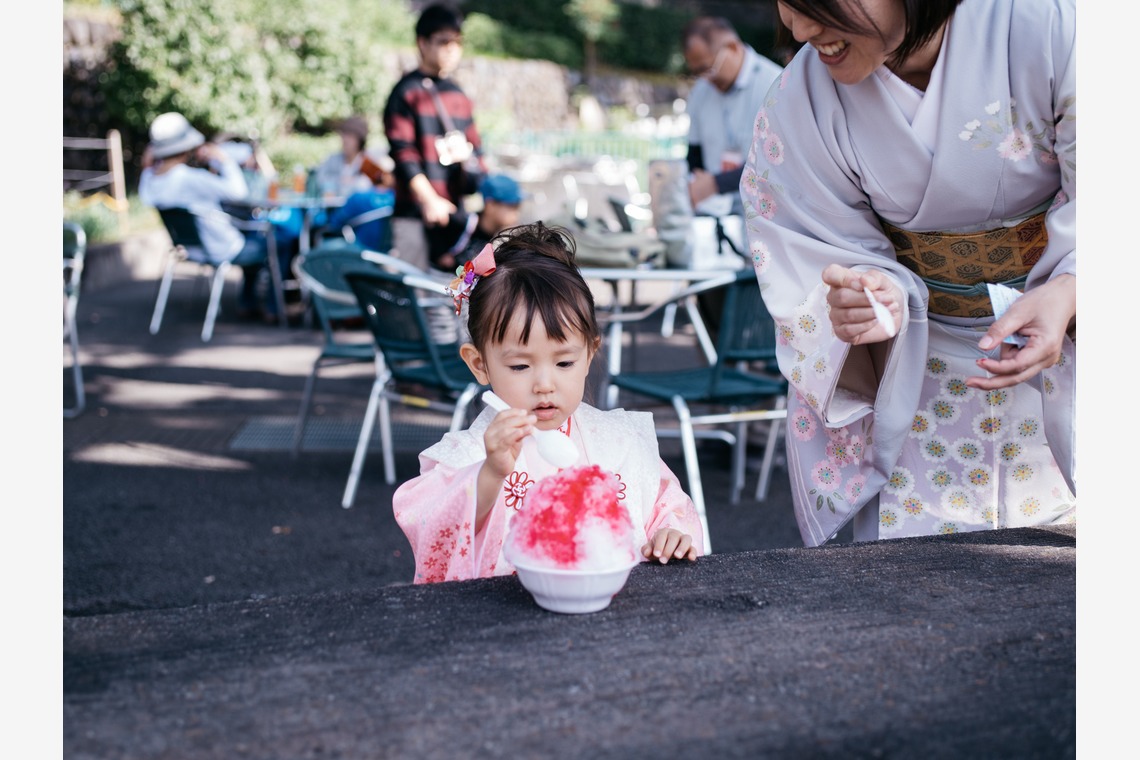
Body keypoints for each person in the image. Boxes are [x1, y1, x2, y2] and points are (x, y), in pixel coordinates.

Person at [739, 0, 1076, 547]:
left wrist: (1072, 288)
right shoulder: (799, 101)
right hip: (922, 377)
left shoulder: (1050, 24)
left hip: (1069, 351)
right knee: (918, 591)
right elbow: (806, 241)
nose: (799, 27)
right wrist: (875, 295)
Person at [392, 223, 705, 583]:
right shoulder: (467, 455)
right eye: (520, 365)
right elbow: (434, 526)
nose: (544, 384)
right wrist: (490, 473)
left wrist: (670, 535)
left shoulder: (620, 441)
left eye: (564, 362)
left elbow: (666, 507)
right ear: (479, 364)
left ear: (590, 353)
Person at [138, 112, 280, 321]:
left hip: (189, 248)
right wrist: (224, 160)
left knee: (253, 237)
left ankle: (247, 304)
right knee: (275, 241)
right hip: (220, 249)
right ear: (185, 149)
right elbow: (238, 192)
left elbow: (145, 185)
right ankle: (273, 309)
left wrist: (148, 163)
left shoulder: (152, 181)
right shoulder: (190, 179)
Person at [383, 3, 486, 273]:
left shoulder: (458, 94)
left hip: (454, 215)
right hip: (414, 214)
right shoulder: (406, 92)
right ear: (422, 43)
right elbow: (402, 152)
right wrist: (429, 199)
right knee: (414, 294)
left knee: (455, 297)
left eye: (457, 42)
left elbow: (477, 148)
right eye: (443, 42)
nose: (452, 49)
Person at [682, 16, 784, 215]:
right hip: (715, 210)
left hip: (767, 211)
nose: (706, 79)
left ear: (733, 48)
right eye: (698, 72)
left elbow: (780, 164)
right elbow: (694, 155)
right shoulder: (701, 91)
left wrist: (716, 183)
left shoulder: (775, 84)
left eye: (708, 69)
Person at [427, 173, 526, 274]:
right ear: (490, 205)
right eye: (512, 206)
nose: (516, 212)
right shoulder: (463, 222)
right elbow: (431, 227)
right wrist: (440, 254)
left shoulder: (496, 237)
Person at [313, 115, 395, 197]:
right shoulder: (333, 160)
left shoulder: (369, 161)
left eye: (350, 136)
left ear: (359, 140)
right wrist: (330, 188)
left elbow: (384, 182)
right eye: (343, 135)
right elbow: (320, 179)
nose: (345, 140)